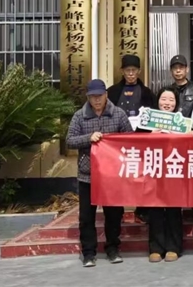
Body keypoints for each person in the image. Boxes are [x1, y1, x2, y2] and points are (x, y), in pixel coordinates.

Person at [66, 79, 133, 267]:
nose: (97, 100)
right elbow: (70, 140)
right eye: (93, 96)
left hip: (112, 176)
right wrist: (89, 138)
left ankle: (113, 249)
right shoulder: (79, 116)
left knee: (114, 214)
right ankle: (89, 253)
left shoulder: (118, 114)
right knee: (86, 217)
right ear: (88, 97)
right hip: (88, 176)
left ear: (106, 95)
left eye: (100, 96)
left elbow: (130, 138)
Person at [106, 54, 155, 224]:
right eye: (128, 70)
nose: (131, 74)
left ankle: (142, 210)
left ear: (139, 71)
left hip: (141, 141)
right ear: (122, 71)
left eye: (134, 70)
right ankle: (117, 211)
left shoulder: (147, 92)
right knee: (118, 176)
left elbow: (152, 117)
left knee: (142, 176)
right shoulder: (112, 92)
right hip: (118, 142)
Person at [148, 87, 184, 263]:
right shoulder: (147, 120)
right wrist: (150, 135)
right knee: (155, 209)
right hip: (154, 169)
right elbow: (136, 141)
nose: (167, 103)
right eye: (163, 99)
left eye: (171, 100)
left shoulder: (182, 122)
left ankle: (173, 247)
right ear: (157, 101)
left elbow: (191, 142)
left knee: (173, 209)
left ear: (176, 103)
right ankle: (155, 247)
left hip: (174, 170)